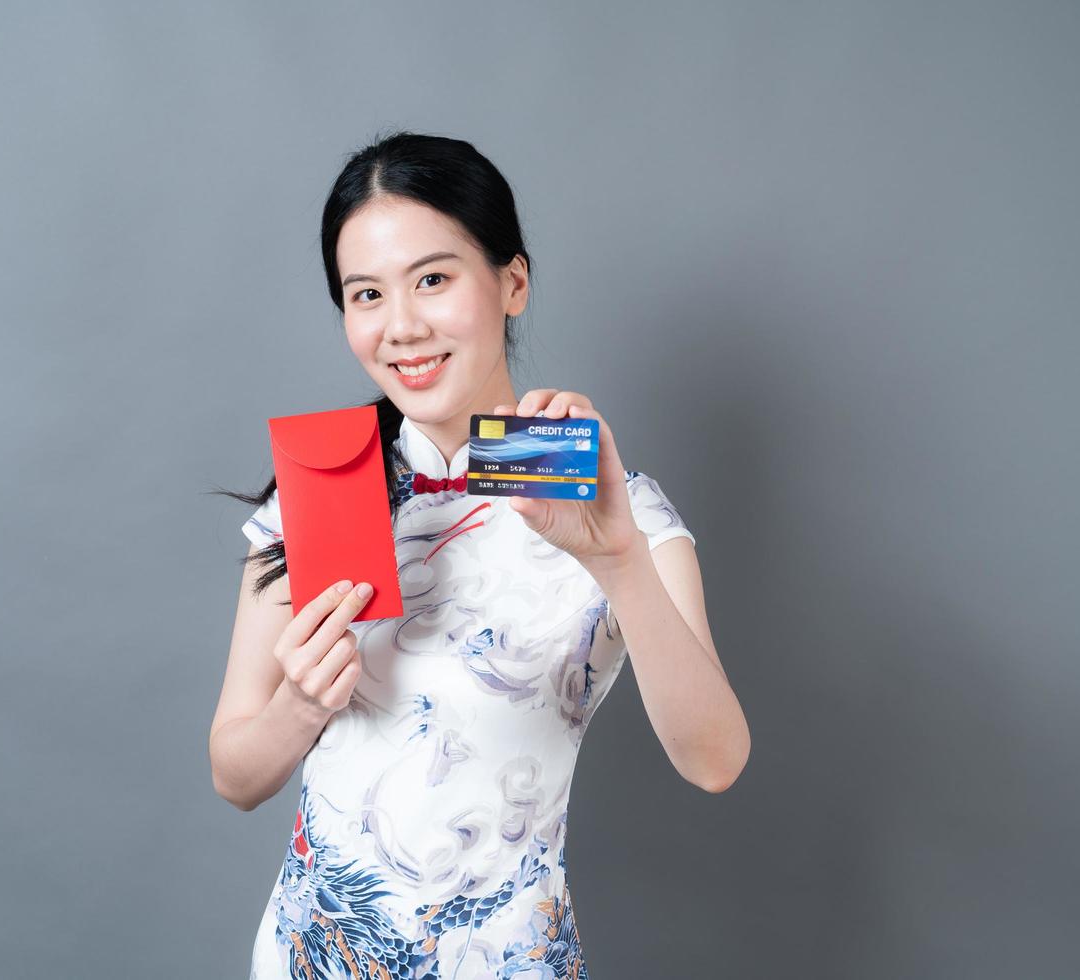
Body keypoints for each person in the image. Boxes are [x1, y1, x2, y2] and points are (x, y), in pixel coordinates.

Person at [210, 131, 750, 979]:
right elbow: (234, 773)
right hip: (312, 957)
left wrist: (617, 561)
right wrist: (302, 706)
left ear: (512, 282)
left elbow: (715, 760)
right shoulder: (319, 494)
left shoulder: (612, 508)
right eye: (366, 294)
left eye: (433, 278)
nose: (402, 326)